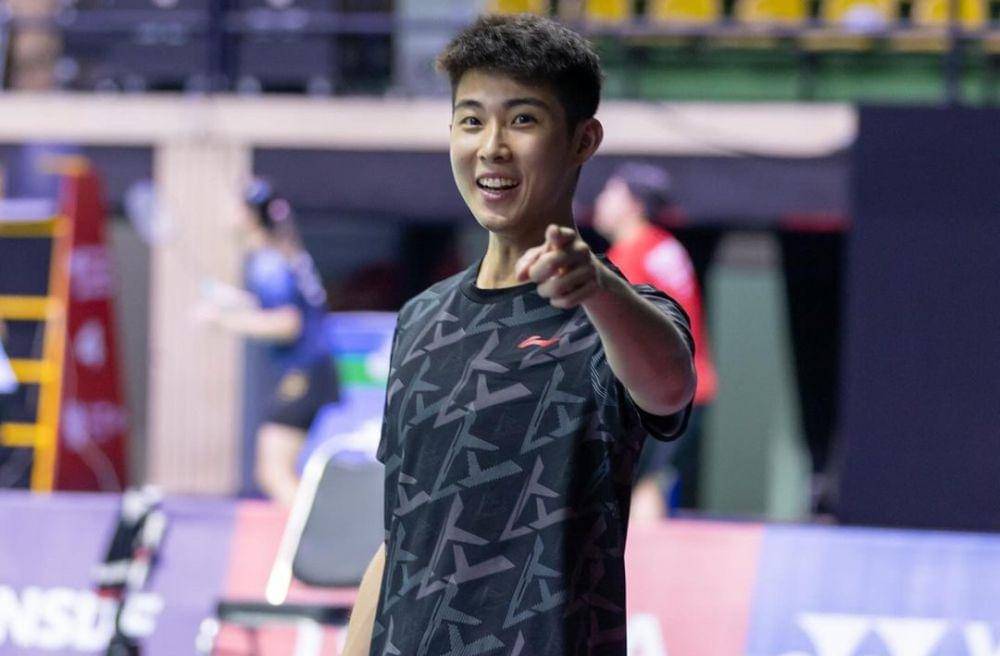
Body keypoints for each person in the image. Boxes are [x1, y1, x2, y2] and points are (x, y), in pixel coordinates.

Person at [343, 15, 696, 656]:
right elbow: (402, 537)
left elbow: (669, 387)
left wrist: (594, 287)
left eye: (523, 120)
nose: (492, 147)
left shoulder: (619, 315)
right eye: (471, 120)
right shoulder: (420, 318)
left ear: (583, 140)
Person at [195, 179, 339, 506]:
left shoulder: (267, 263)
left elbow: (288, 323)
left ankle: (324, 533)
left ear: (249, 216)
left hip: (303, 373)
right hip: (313, 371)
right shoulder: (283, 253)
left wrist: (223, 322)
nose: (224, 214)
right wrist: (230, 300)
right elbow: (280, 306)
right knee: (279, 470)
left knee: (274, 472)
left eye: (232, 207)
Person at [592, 162, 718, 520]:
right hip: (691, 388)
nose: (599, 201)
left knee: (638, 492)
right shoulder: (666, 246)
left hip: (657, 394)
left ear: (633, 204)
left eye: (610, 192)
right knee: (647, 487)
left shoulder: (630, 256)